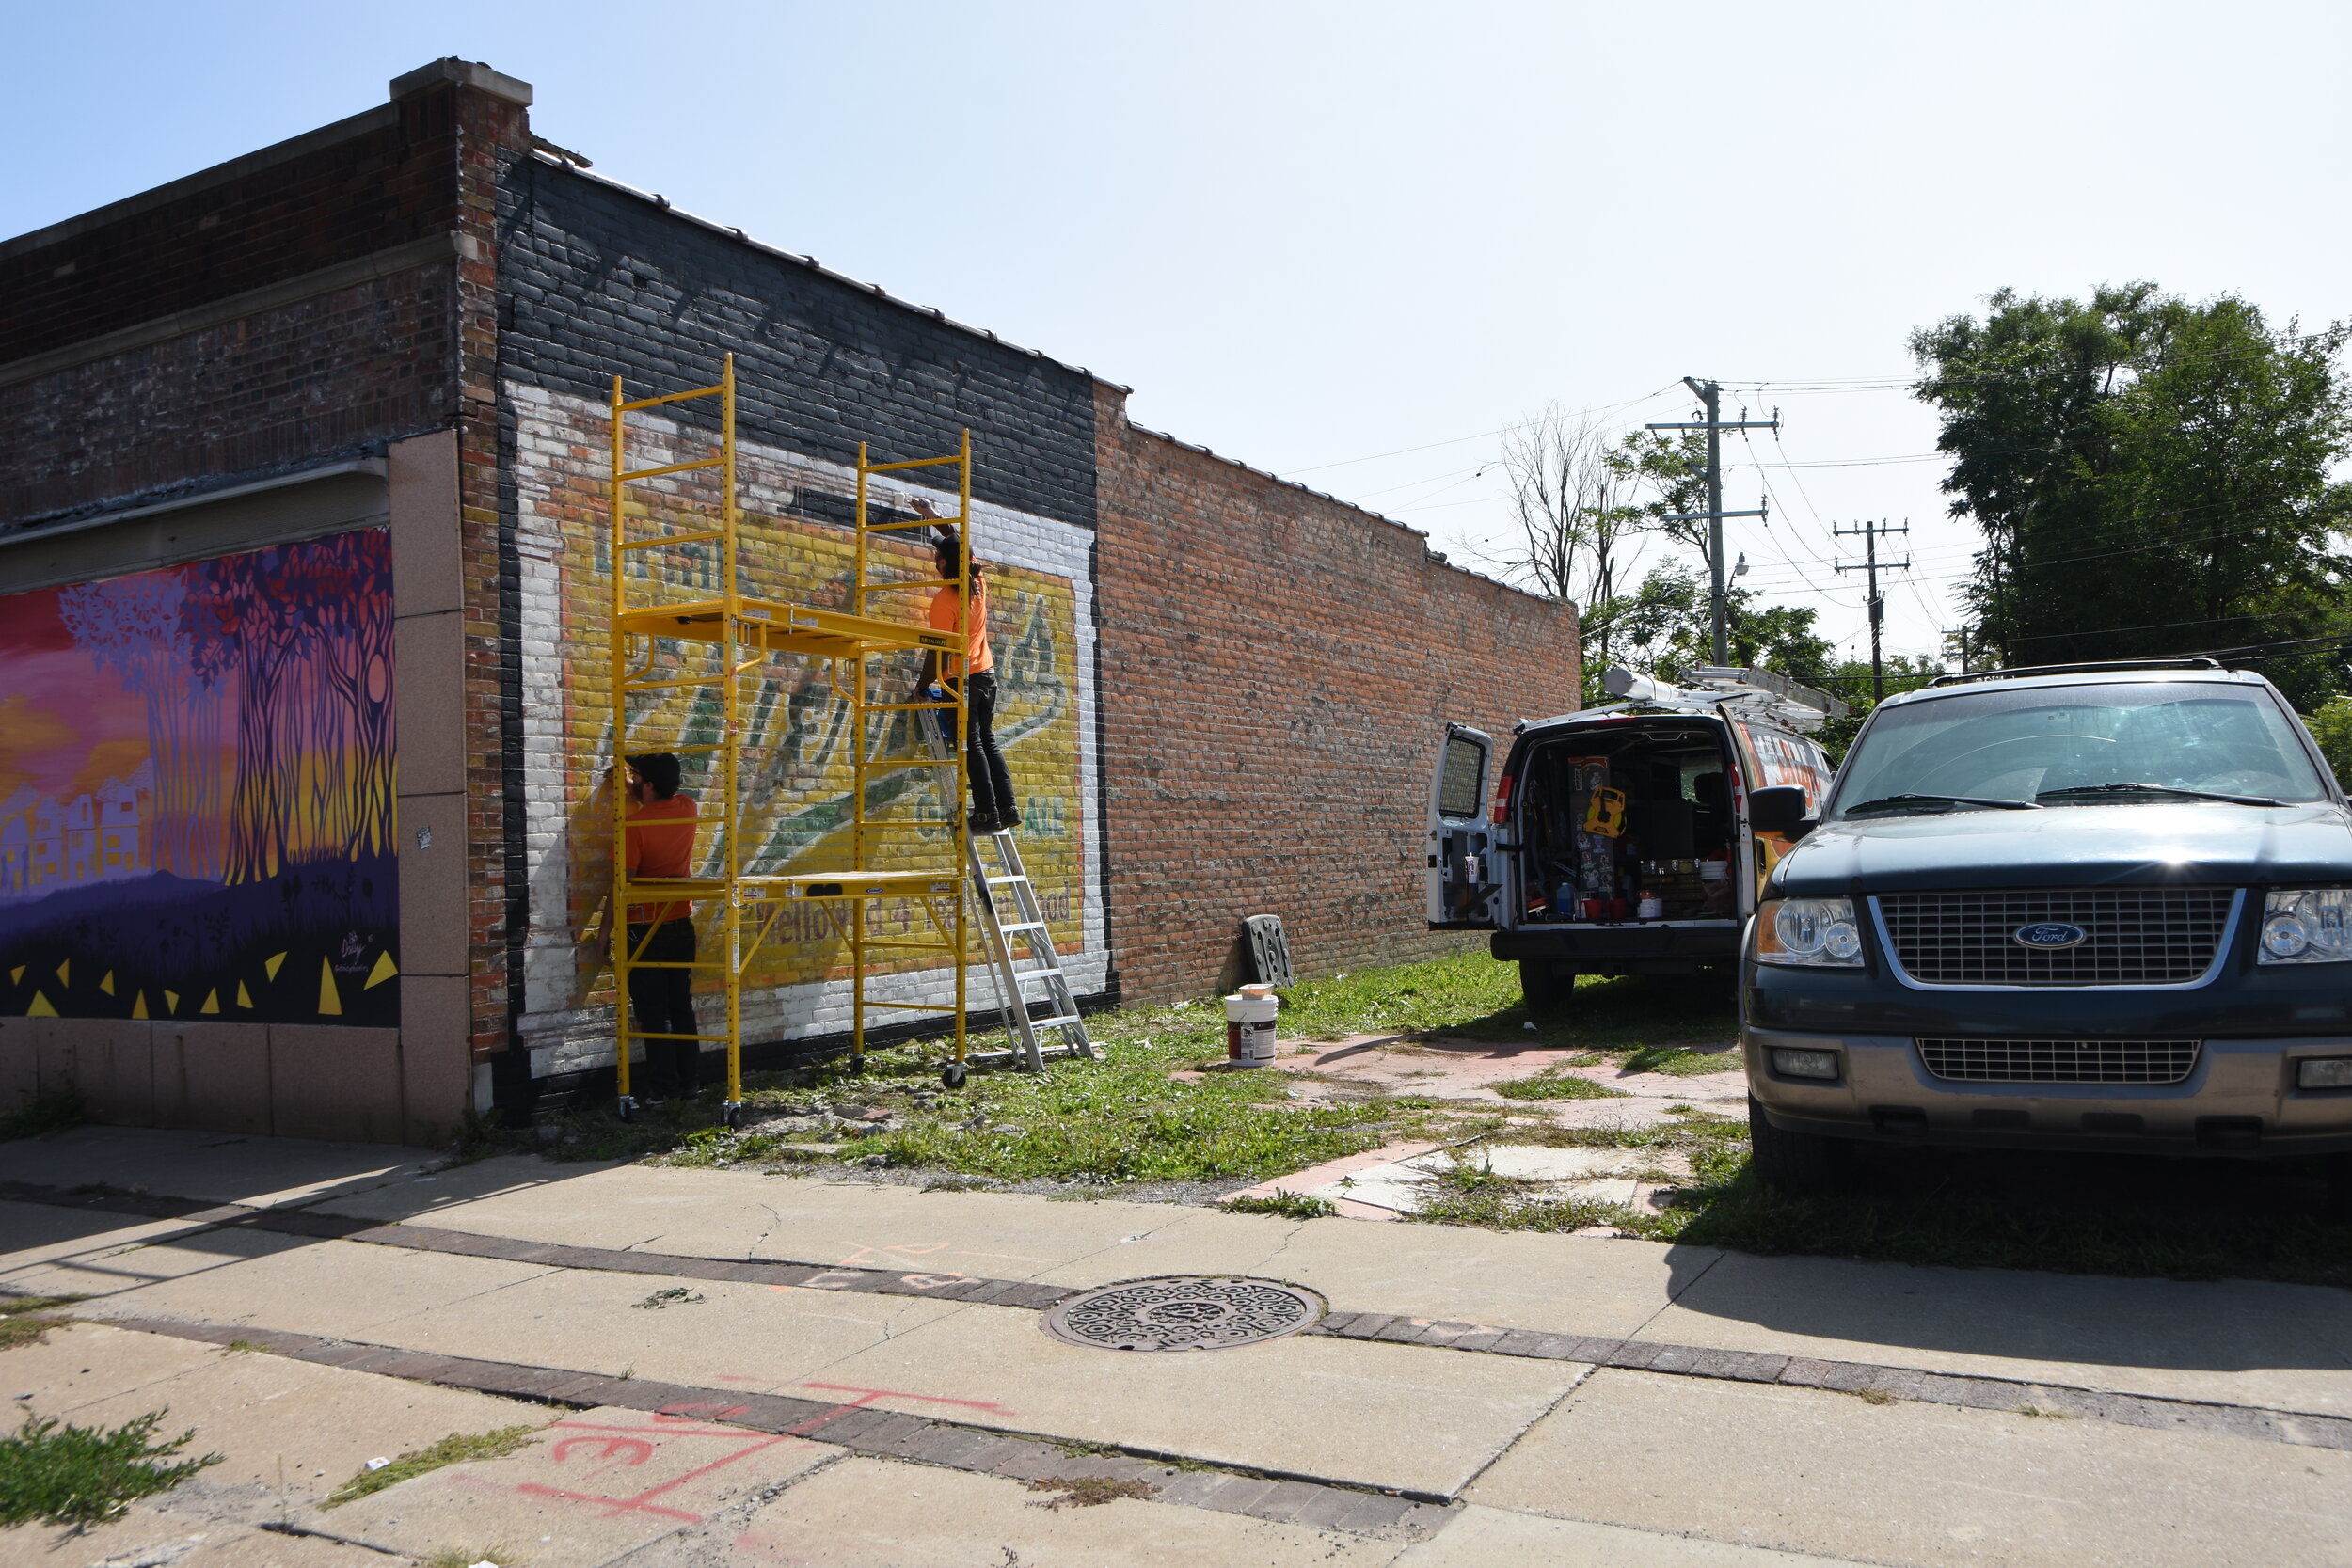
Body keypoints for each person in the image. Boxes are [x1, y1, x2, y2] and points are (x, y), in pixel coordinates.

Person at [910, 511, 1019, 834]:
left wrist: (921, 686)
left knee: (971, 744)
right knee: (987, 740)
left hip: (961, 681)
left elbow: (938, 651)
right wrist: (931, 515)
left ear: (943, 564)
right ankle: (1007, 808)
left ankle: (987, 812)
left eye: (937, 557)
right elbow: (958, 541)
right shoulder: (977, 582)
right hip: (986, 676)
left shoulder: (945, 601)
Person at [620, 752, 701, 1104]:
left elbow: (623, 885)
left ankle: (663, 1089)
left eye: (636, 775)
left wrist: (605, 932)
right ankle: (689, 1083)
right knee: (681, 1005)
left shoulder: (634, 826)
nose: (633, 779)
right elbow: (656, 801)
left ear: (649, 784)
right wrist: (631, 783)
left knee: (654, 1013)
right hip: (680, 921)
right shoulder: (688, 808)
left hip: (644, 926)